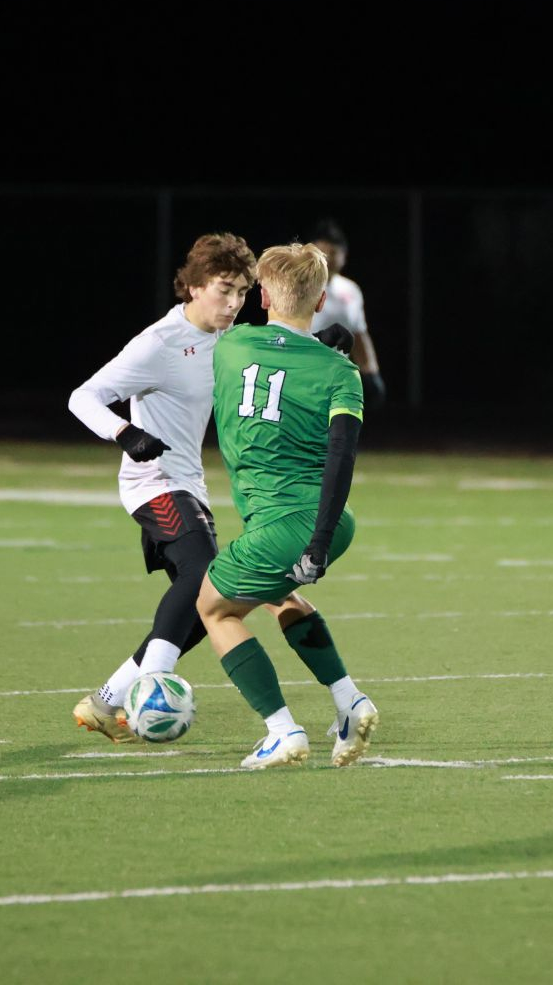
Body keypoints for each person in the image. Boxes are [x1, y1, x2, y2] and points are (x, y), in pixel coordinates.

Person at [66, 233, 257, 742]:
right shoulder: (159, 343)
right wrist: (124, 432)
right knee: (201, 574)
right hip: (152, 483)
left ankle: (106, 701)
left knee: (213, 601)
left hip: (190, 484)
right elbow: (83, 397)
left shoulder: (231, 340)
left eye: (242, 292)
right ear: (193, 287)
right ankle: (152, 685)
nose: (234, 303)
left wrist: (321, 343)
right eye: (224, 290)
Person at [196, 242, 379, 770]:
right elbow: (342, 455)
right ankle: (349, 700)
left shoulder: (232, 345)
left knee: (215, 609)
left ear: (263, 296)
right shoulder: (341, 372)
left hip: (283, 523)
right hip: (330, 520)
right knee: (279, 597)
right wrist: (320, 542)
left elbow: (271, 359)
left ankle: (282, 730)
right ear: (321, 301)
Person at [309, 219, 386, 411]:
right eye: (322, 252)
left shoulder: (351, 290)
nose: (327, 257)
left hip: (336, 379)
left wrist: (371, 372)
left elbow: (358, 333)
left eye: (333, 252)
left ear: (344, 255)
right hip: (302, 373)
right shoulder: (300, 285)